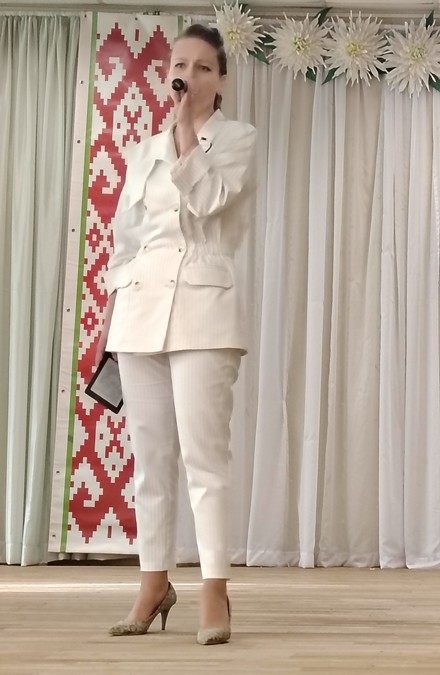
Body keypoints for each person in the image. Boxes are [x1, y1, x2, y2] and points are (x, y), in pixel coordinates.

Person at [98, 24, 257, 646]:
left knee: (203, 459)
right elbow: (125, 237)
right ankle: (152, 582)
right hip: (139, 313)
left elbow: (211, 201)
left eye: (202, 67)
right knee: (151, 460)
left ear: (220, 81)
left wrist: (187, 134)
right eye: (180, 66)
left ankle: (214, 587)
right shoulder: (143, 152)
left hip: (205, 312)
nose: (188, 75)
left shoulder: (238, 140)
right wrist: (116, 300)